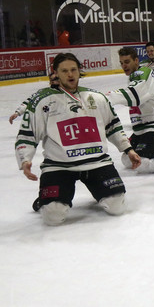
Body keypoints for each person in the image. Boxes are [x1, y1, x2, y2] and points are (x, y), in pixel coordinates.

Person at [15, 53, 140, 225]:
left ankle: (98, 191)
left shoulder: (96, 97)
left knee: (117, 207)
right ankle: (47, 200)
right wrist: (25, 160)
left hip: (97, 162)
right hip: (59, 166)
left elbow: (113, 126)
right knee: (53, 217)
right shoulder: (42, 101)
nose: (70, 74)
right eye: (64, 71)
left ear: (79, 71)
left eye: (73, 69)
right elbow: (27, 134)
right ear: (56, 73)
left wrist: (128, 149)